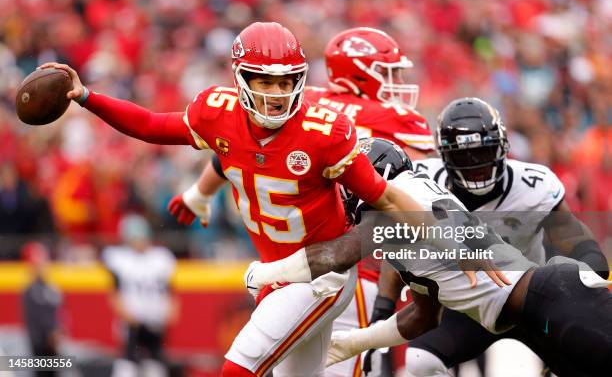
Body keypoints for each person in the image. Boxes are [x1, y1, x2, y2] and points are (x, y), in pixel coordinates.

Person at [38, 22, 452, 376]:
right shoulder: (217, 113)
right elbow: (154, 125)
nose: (276, 93)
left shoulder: (325, 132)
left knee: (238, 367)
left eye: (286, 82)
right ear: (241, 78)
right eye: (265, 81)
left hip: (319, 275)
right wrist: (87, 97)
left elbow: (388, 198)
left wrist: (461, 244)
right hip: (277, 271)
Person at [167, 27, 435, 376]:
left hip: (302, 260)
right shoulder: (393, 120)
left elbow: (231, 153)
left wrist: (198, 194)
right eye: (388, 73)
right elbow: (419, 187)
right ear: (358, 75)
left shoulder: (296, 98)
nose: (397, 82)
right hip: (361, 266)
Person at [244, 137, 612, 377]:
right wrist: (355, 342)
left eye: (351, 180)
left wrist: (265, 273)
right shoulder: (406, 214)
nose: (346, 193)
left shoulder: (398, 200)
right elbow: (424, 316)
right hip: (537, 310)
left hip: (554, 300)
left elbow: (335, 255)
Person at [378, 97, 610, 377]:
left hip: (533, 304)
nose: (476, 164)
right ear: (445, 156)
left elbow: (575, 239)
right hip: (467, 309)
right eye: (464, 155)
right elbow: (398, 248)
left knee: (581, 360)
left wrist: (590, 280)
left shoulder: (533, 185)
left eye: (484, 152)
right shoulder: (423, 182)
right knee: (419, 361)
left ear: (502, 148)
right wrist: (383, 306)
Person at [103, 214, 178, 377]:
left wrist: (171, 311)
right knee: (127, 365)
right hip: (132, 323)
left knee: (155, 366)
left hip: (155, 321)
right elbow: (114, 292)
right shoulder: (119, 258)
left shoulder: (160, 257)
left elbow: (170, 290)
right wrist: (126, 315)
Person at [21, 242, 62, 377]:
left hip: (52, 341)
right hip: (40, 341)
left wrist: (58, 331)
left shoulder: (51, 287)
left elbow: (58, 313)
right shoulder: (31, 290)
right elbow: (36, 317)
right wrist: (49, 334)